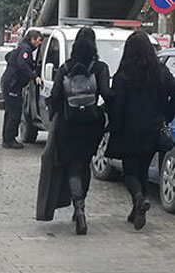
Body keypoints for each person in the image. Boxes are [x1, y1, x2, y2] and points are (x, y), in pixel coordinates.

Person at [106, 31, 175, 231]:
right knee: (143, 169)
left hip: (129, 130)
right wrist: (166, 114)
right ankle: (137, 209)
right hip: (152, 129)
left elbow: (117, 106)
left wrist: (114, 127)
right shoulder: (161, 73)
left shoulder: (123, 76)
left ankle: (138, 199)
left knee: (130, 172)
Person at [47, 27, 112, 235]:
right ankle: (81, 207)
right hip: (92, 125)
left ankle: (79, 209)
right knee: (85, 164)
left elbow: (56, 96)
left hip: (68, 124)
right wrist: (101, 112)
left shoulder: (65, 68)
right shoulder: (100, 68)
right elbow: (107, 95)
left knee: (72, 167)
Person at [1, 30, 43, 149]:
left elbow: (8, 56)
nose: (39, 43)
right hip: (13, 84)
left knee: (10, 111)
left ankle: (7, 138)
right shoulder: (25, 49)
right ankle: (10, 139)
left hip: (10, 83)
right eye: (38, 40)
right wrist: (34, 76)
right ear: (32, 39)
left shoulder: (22, 47)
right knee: (15, 112)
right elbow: (22, 64)